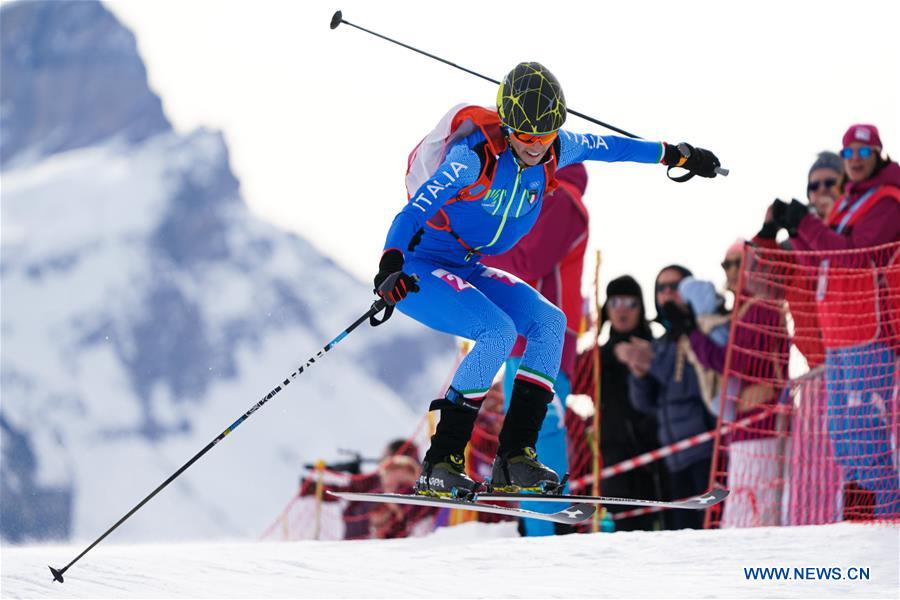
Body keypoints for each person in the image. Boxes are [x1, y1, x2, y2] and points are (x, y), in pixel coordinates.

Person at [373, 62, 723, 497]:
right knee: (497, 332)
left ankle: (515, 457)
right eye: (525, 135)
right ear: (507, 124)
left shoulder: (558, 147)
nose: (536, 146)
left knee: (550, 323)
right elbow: (413, 211)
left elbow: (614, 148)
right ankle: (440, 461)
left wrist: (678, 154)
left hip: (465, 263)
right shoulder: (472, 159)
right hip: (419, 267)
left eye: (545, 134)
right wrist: (390, 265)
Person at [763, 123, 900, 518]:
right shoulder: (852, 201)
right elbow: (823, 262)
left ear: (877, 153)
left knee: (868, 444)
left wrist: (806, 225)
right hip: (839, 337)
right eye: (849, 154)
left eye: (862, 152)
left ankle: (892, 520)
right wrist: (796, 229)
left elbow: (852, 257)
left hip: (868, 334)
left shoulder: (887, 200)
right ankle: (882, 521)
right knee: (845, 442)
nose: (855, 161)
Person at [480, 162, 589, 534]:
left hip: (544, 338)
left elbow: (529, 261)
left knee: (539, 432)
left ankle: (549, 530)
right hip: (529, 337)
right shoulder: (543, 200)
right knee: (525, 437)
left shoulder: (563, 201)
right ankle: (539, 527)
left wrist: (474, 256)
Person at [624, 265, 716, 529]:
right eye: (661, 288)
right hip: (672, 460)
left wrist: (651, 363)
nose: (667, 294)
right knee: (679, 535)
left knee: (709, 533)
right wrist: (640, 373)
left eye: (674, 287)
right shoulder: (662, 343)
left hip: (705, 454)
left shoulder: (704, 332)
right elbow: (644, 403)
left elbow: (692, 386)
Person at [597, 275, 665, 531]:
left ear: (641, 307)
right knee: (622, 530)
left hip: (655, 453)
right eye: (615, 302)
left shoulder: (656, 347)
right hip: (614, 455)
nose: (622, 309)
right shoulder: (597, 357)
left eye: (630, 302)